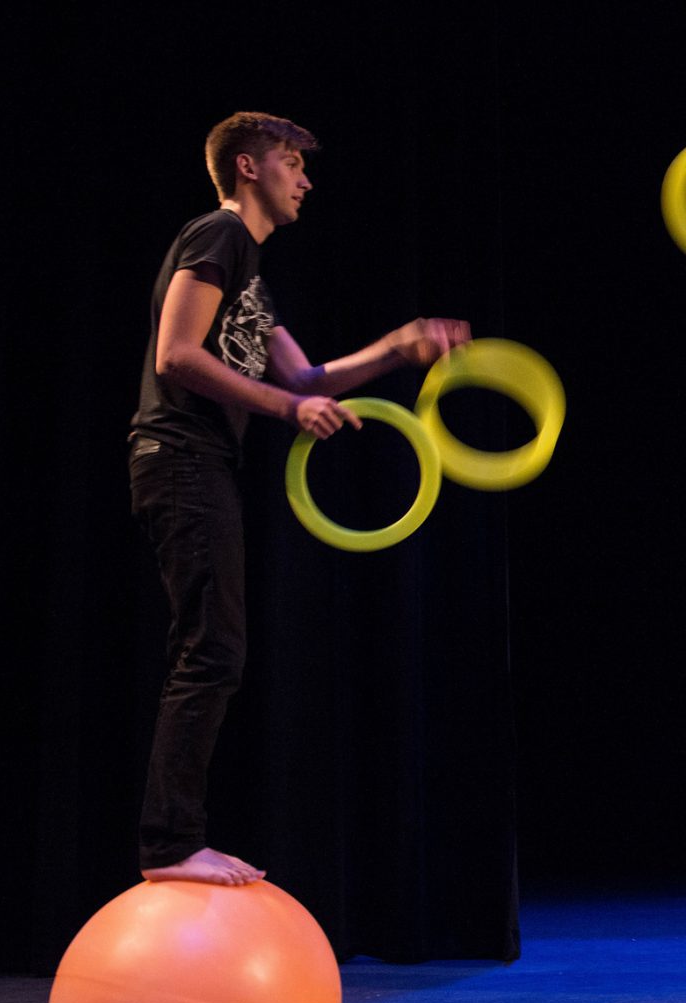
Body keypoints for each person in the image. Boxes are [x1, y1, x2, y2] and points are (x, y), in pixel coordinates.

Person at [128, 112, 469, 886]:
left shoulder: (248, 272)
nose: (306, 180)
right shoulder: (217, 236)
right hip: (179, 456)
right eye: (292, 163)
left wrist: (398, 347)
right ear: (248, 167)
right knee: (211, 649)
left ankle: (174, 840)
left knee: (218, 649)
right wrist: (286, 413)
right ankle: (170, 844)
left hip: (202, 462)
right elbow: (176, 354)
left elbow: (307, 379)